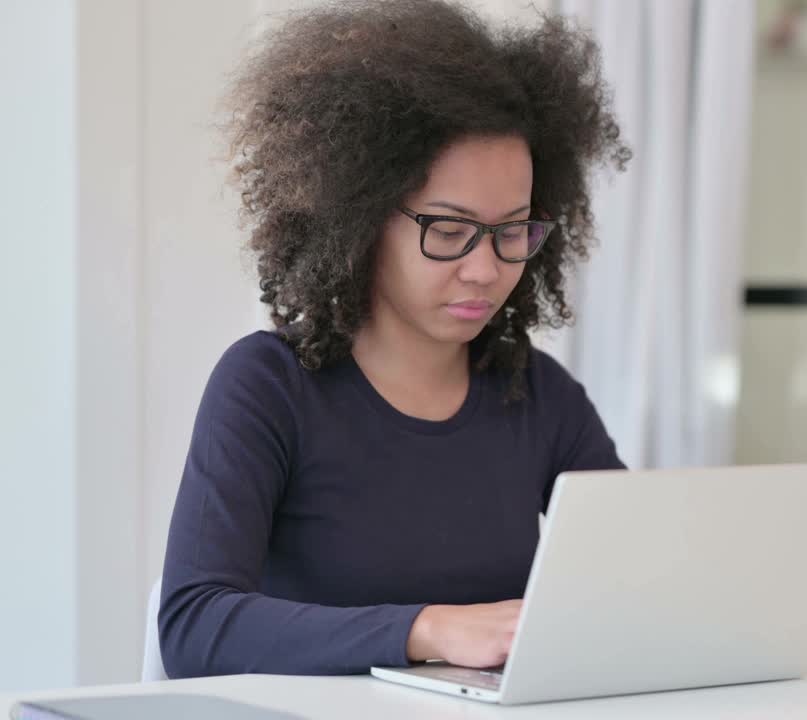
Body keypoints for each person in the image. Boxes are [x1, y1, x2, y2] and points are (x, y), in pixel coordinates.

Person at [159, 0, 629, 679]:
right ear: (363, 218)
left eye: (513, 231)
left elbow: (632, 588)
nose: (486, 267)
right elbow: (193, 626)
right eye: (448, 229)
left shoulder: (539, 397)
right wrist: (426, 628)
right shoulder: (268, 386)